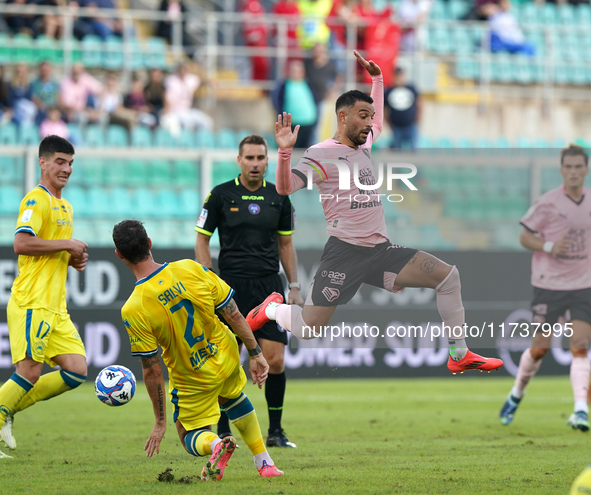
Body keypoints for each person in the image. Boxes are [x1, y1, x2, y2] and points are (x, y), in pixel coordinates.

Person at [246, 51, 504, 377]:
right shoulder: (321, 154)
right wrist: (284, 152)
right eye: (363, 116)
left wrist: (378, 80)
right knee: (309, 328)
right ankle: (272, 308)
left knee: (447, 276)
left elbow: (381, 120)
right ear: (343, 118)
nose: (370, 123)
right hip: (345, 253)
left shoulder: (364, 145)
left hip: (380, 250)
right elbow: (285, 188)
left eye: (370, 117)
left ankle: (459, 353)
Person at [112, 219, 284, 480]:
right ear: (149, 243)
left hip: (192, 375)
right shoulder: (189, 268)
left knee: (187, 434)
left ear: (119, 255)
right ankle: (265, 463)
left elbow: (153, 370)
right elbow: (234, 314)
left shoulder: (134, 308)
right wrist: (255, 353)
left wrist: (160, 422)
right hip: (224, 354)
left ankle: (217, 444)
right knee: (234, 398)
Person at [195, 134, 303, 448]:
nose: (255, 164)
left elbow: (286, 244)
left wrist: (294, 286)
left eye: (260, 158)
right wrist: (208, 280)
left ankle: (276, 431)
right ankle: (223, 430)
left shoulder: (280, 196)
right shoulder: (220, 194)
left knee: (276, 360)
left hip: (269, 287)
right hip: (230, 288)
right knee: (227, 361)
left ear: (268, 161)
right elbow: (202, 239)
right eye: (250, 158)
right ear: (239, 161)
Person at [0, 135, 89, 458]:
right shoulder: (36, 200)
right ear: (43, 162)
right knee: (29, 371)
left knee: (76, 369)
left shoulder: (65, 205)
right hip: (32, 301)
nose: (66, 169)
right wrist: (67, 245)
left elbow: (54, 250)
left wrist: (75, 258)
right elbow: (22, 243)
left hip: (55, 307)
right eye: (60, 162)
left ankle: (7, 408)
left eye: (70, 163)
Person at [499, 145, 591, 432]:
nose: (574, 172)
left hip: (583, 284)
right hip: (548, 284)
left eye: (579, 167)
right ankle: (516, 395)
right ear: (562, 170)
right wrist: (550, 246)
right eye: (569, 167)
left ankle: (580, 410)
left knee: (579, 346)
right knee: (539, 350)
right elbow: (525, 236)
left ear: (586, 169)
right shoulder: (547, 203)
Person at [271, 60, 318, 150]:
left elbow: (315, 101)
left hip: (308, 122)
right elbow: (277, 102)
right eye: (294, 71)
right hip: (292, 123)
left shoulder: (308, 84)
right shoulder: (284, 85)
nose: (296, 73)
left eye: (298, 71)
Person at [384, 67, 421, 150]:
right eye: (397, 76)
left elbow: (419, 104)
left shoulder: (411, 88)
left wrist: (417, 120)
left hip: (411, 125)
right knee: (397, 150)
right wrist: (390, 123)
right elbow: (385, 110)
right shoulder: (389, 91)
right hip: (396, 127)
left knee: (414, 150)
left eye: (400, 76)